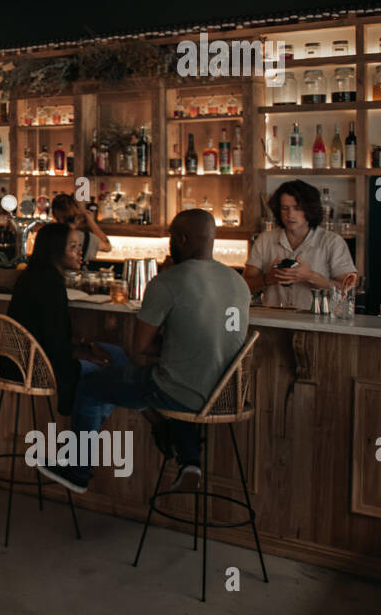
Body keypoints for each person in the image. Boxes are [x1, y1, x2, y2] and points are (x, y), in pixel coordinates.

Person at [39, 209, 250, 494]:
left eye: (172, 237)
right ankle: (189, 459)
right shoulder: (238, 282)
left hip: (181, 393)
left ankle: (77, 470)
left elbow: (139, 353)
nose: (169, 243)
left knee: (90, 386)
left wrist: (163, 352)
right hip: (226, 393)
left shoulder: (167, 282)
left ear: (183, 239)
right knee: (143, 369)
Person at [3, 222, 112, 419]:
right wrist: (87, 355)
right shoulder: (50, 284)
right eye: (73, 247)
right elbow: (55, 345)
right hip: (35, 367)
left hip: (14, 362)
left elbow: (45, 332)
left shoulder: (31, 276)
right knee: (105, 370)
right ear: (55, 250)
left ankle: (83, 439)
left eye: (79, 246)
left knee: (99, 367)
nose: (80, 252)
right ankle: (82, 443)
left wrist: (81, 344)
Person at [243, 179, 357, 310]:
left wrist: (310, 276)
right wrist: (268, 279)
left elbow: (349, 289)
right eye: (285, 208)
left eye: (297, 208)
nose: (290, 215)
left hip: (318, 323)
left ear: (310, 209)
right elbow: (244, 285)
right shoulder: (265, 240)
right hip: (275, 321)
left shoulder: (332, 242)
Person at [51, 193, 111, 266]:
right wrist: (91, 222)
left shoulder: (47, 235)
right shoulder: (88, 238)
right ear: (78, 216)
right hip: (81, 276)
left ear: (54, 215)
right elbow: (107, 246)